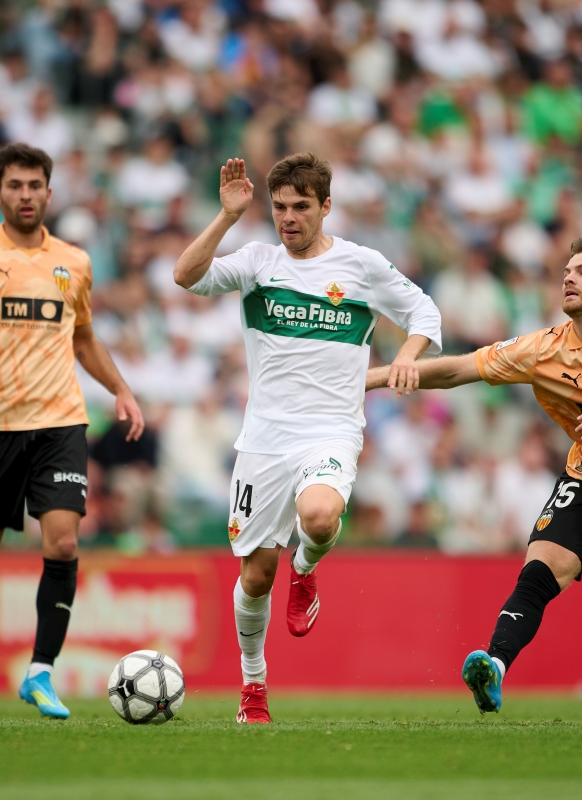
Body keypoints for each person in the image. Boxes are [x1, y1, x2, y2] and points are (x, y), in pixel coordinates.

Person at [367, 235, 582, 724]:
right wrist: (378, 376)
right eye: (566, 271)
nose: (569, 277)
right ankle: (494, 665)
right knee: (542, 569)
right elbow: (460, 370)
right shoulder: (545, 349)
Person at [173, 154, 442, 723]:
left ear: (325, 206)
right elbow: (186, 276)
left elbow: (424, 311)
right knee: (254, 576)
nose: (288, 218)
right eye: (279, 207)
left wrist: (408, 357)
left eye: (301, 206)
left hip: (331, 430)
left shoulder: (361, 266)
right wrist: (226, 218)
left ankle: (308, 566)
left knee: (320, 516)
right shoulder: (256, 261)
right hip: (264, 441)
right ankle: (253, 686)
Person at [0, 143, 144, 721]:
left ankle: (40, 673)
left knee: (64, 542)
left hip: (61, 422)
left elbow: (85, 338)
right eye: (14, 186)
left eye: (34, 185)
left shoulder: (74, 261)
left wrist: (120, 389)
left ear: (49, 192)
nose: (25, 195)